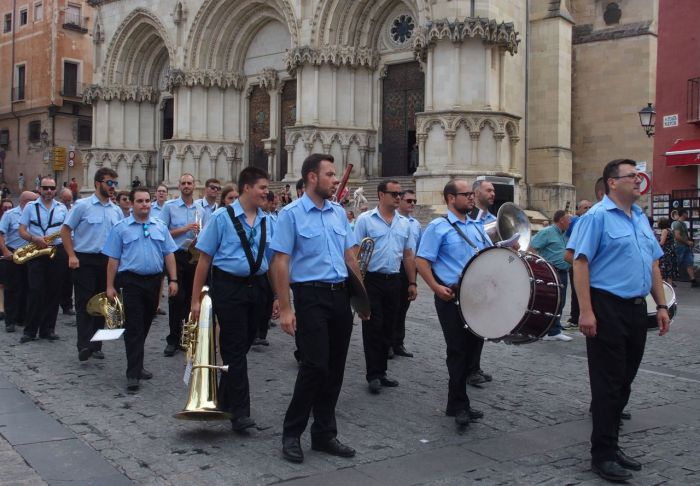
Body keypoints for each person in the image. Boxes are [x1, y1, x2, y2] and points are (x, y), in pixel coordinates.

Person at [568, 159, 670, 482]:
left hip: (636, 309)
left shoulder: (639, 216)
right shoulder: (597, 217)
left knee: (625, 379)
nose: (639, 181)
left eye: (639, 176)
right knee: (607, 383)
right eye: (632, 176)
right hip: (607, 306)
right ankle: (602, 455)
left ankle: (612, 444)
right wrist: (586, 310)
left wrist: (662, 305)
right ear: (612, 182)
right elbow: (579, 264)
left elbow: (653, 263)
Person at [270, 153, 364, 464]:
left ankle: (324, 434)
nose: (336, 180)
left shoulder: (338, 213)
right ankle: (291, 433)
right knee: (314, 366)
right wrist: (285, 308)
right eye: (330, 174)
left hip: (340, 298)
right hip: (310, 297)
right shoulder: (291, 214)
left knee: (335, 368)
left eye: (335, 175)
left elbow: (350, 257)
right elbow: (280, 262)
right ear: (312, 177)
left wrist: (362, 299)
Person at [190, 167, 277, 431]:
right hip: (229, 287)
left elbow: (272, 263)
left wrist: (278, 298)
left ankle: (222, 398)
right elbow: (204, 260)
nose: (267, 192)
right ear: (247, 187)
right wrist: (195, 300)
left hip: (258, 288)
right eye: (262, 187)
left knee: (243, 344)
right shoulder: (221, 218)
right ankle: (240, 414)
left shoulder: (268, 220)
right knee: (235, 348)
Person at [415, 179, 487, 428]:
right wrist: (435, 287)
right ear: (450, 198)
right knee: (457, 351)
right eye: (465, 194)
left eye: (471, 194)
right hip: (452, 297)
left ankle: (455, 402)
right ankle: (459, 405)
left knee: (471, 351)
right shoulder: (438, 227)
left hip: (476, 298)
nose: (471, 197)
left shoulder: (477, 227)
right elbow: (422, 261)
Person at [103, 187, 178, 391]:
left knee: (145, 324)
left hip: (153, 281)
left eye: (147, 201)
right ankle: (132, 373)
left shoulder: (159, 226)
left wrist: (173, 279)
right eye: (139, 201)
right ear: (132, 204)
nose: (144, 204)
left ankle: (139, 364)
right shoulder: (121, 228)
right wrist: (110, 286)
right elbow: (113, 259)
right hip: (131, 281)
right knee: (134, 326)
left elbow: (169, 254)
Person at [354, 180, 417, 394]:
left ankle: (382, 371)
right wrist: (356, 285)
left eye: (399, 194)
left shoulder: (404, 223)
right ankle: (373, 374)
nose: (398, 197)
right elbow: (355, 252)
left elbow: (408, 255)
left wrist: (412, 282)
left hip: (395, 281)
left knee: (389, 327)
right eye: (394, 194)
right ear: (381, 195)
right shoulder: (365, 220)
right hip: (371, 280)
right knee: (373, 327)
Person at [61, 168, 122, 361]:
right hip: (85, 259)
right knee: (84, 302)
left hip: (107, 262)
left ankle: (96, 344)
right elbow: (65, 230)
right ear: (98, 183)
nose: (113, 187)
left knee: (104, 303)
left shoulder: (116, 210)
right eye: (109, 183)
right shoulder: (82, 206)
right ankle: (84, 344)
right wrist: (71, 255)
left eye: (115, 184)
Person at [18, 177, 68, 343]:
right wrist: (34, 238)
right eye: (45, 188)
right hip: (37, 250)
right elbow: (22, 231)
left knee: (54, 291)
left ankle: (48, 329)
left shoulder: (62, 208)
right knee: (36, 290)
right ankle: (30, 330)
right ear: (39, 189)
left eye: (51, 188)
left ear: (55, 189)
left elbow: (67, 231)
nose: (48, 191)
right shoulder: (30, 207)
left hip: (57, 250)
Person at [161, 173, 203, 357]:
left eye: (189, 183)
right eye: (183, 183)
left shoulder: (200, 209)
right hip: (175, 256)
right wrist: (185, 229)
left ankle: (187, 338)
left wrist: (197, 240)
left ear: (194, 186)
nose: (186, 186)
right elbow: (162, 232)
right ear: (179, 186)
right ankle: (173, 338)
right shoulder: (170, 207)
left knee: (190, 299)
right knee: (176, 298)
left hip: (193, 256)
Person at [464, 180, 495, 386]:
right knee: (467, 330)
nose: (493, 193)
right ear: (475, 194)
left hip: (486, 280)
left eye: (493, 190)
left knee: (480, 328)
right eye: (489, 190)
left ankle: (474, 366)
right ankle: (466, 369)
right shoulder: (467, 217)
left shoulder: (494, 220)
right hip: (467, 280)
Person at [530, 209, 573, 342]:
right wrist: (535, 266)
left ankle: (555, 329)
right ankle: (551, 331)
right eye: (568, 220)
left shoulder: (563, 234)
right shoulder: (547, 232)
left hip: (562, 272)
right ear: (561, 220)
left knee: (561, 302)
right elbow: (532, 246)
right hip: (551, 272)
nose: (570, 222)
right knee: (552, 302)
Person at [0, 192, 38, 332]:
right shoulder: (10, 215)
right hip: (13, 253)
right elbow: (1, 233)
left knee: (28, 287)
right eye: (34, 201)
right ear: (26, 201)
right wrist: (5, 251)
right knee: (12, 288)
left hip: (31, 254)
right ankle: (10, 320)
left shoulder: (35, 214)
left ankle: (23, 317)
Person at [392, 189, 421, 358]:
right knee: (392, 307)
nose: (412, 204)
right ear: (400, 201)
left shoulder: (415, 224)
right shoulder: (394, 220)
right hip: (395, 267)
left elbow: (418, 248)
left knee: (403, 308)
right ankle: (387, 342)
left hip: (409, 268)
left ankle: (398, 342)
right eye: (409, 201)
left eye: (414, 201)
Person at [253, 190, 279, 347]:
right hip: (259, 265)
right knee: (259, 301)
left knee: (267, 299)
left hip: (270, 264)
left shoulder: (272, 219)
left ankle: (261, 332)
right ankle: (255, 332)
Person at [564, 199, 593, 329]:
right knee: (577, 292)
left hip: (590, 262)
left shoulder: (595, 220)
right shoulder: (576, 221)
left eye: (589, 207)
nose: (588, 210)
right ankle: (575, 317)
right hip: (577, 261)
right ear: (579, 210)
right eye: (585, 208)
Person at [671, 209, 698, 287]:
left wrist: (689, 241)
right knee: (677, 262)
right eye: (686, 213)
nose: (688, 214)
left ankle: (693, 280)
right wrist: (687, 242)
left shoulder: (684, 224)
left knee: (689, 262)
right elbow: (677, 236)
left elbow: (684, 235)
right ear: (683, 214)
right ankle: (670, 279)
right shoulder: (677, 224)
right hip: (680, 246)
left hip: (686, 246)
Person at [0, 199, 14, 322]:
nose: (7, 209)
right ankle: (2, 308)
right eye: (5, 207)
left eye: (10, 207)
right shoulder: (5, 219)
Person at [657, 218, 678, 286]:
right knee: (669, 272)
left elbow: (662, 242)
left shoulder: (664, 231)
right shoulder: (670, 230)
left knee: (663, 271)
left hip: (665, 253)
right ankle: (670, 287)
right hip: (671, 252)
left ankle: (663, 289)